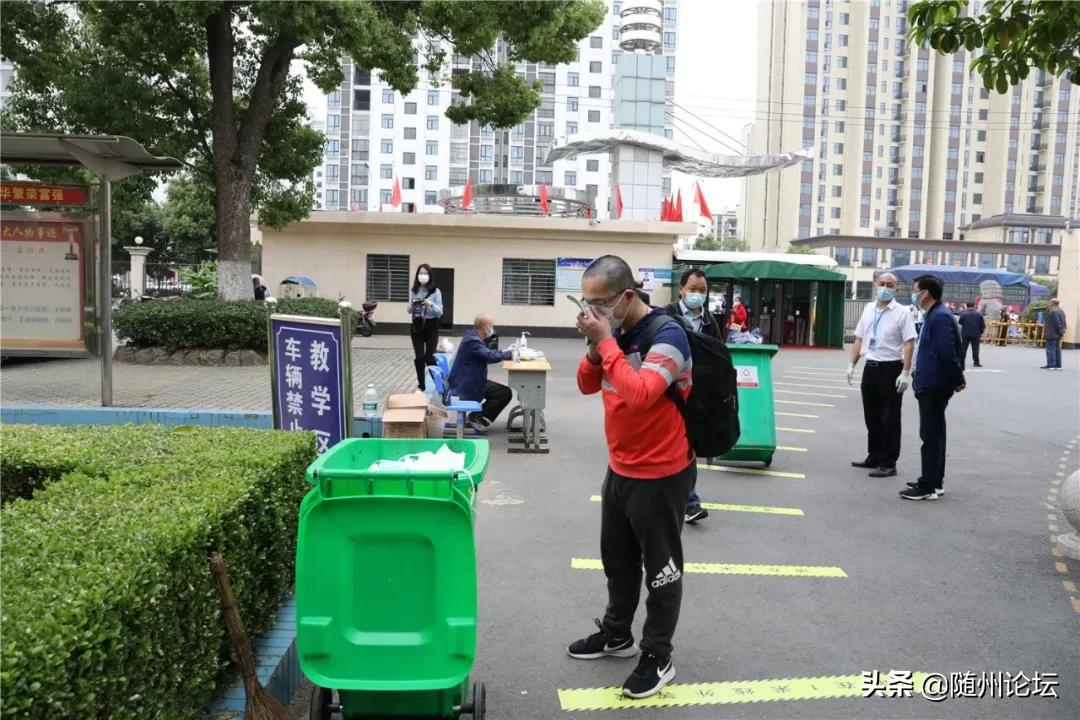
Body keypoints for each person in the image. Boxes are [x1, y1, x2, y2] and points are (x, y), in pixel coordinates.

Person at [569, 255, 694, 700]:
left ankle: (658, 655)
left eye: (601, 303)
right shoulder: (614, 332)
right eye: (587, 303)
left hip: (661, 471)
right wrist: (595, 346)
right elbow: (587, 384)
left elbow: (641, 395)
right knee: (618, 561)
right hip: (620, 466)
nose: (593, 311)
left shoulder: (668, 335)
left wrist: (605, 342)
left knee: (661, 570)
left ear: (627, 296)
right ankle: (617, 633)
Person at [846, 272, 916, 479]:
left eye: (890, 285)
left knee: (890, 418)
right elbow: (859, 338)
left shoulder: (902, 313)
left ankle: (889, 462)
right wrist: (851, 364)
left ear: (896, 289)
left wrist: (905, 372)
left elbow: (909, 343)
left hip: (891, 368)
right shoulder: (868, 309)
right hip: (871, 367)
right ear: (875, 286)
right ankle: (874, 456)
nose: (885, 287)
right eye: (882, 283)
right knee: (872, 416)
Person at [902, 275, 965, 501]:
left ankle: (927, 486)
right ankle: (935, 481)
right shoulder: (934, 314)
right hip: (931, 381)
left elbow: (948, 352)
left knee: (930, 435)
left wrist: (957, 378)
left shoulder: (939, 316)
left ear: (925, 293)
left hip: (934, 383)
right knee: (936, 434)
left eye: (915, 290)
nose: (913, 294)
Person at [664, 268, 719, 524]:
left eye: (702, 290)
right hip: (668, 391)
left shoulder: (709, 321)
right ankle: (682, 499)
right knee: (670, 444)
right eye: (693, 289)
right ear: (682, 289)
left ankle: (690, 502)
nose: (697, 294)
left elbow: (718, 354)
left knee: (688, 446)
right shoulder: (667, 315)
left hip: (697, 394)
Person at [446, 315, 514, 432]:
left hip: (469, 380)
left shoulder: (472, 336)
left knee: (502, 391)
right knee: (504, 393)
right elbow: (489, 356)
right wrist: (510, 355)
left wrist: (504, 352)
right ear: (485, 327)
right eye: (491, 326)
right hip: (466, 384)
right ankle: (475, 417)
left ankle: (477, 416)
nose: (492, 329)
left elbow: (486, 353)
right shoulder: (472, 341)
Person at [408, 264, 443, 391]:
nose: (423, 276)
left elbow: (440, 312)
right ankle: (421, 385)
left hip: (431, 325)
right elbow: (409, 310)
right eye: (420, 273)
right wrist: (412, 305)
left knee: (430, 357)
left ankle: (439, 384)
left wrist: (431, 304)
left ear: (430, 275)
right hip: (417, 325)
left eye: (425, 273)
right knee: (419, 358)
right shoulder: (414, 291)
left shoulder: (436, 291)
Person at [957, 302, 985, 369]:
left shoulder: (964, 314)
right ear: (974, 306)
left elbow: (960, 322)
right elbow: (983, 325)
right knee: (975, 348)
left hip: (965, 333)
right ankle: (976, 362)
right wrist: (981, 332)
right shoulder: (979, 314)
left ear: (967, 306)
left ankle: (961, 362)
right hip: (976, 334)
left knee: (964, 348)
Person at [1043, 298, 1067, 370]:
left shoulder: (1052, 311)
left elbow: (1057, 323)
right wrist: (1062, 331)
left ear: (1052, 303)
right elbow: (1064, 322)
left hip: (1052, 333)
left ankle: (1051, 365)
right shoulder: (1061, 311)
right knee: (1057, 349)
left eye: (1049, 302)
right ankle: (1058, 365)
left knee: (1050, 349)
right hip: (1058, 333)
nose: (1048, 304)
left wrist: (1060, 331)